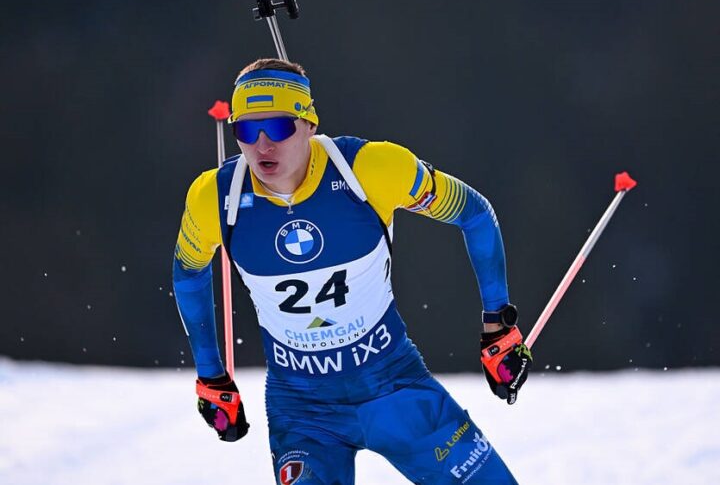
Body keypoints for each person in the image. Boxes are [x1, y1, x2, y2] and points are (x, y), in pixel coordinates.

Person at [173, 58, 532, 484]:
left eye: (279, 127)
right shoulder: (214, 197)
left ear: (309, 123)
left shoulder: (371, 169)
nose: (262, 145)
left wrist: (498, 324)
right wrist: (211, 376)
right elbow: (189, 273)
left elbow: (474, 213)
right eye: (247, 130)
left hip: (394, 388)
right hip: (303, 410)